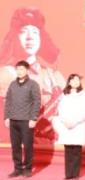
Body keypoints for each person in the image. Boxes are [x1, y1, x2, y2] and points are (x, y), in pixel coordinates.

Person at [0, 8, 65, 144]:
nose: (30, 37)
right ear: (14, 37)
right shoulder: (5, 75)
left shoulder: (54, 77)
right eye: (23, 31)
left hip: (51, 148)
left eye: (35, 32)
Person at [4, 60, 41, 178]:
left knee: (28, 146)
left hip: (26, 120)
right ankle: (17, 169)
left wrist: (34, 118)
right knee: (15, 146)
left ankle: (28, 169)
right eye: (18, 69)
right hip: (13, 120)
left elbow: (37, 102)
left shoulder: (33, 84)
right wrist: (6, 117)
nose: (19, 71)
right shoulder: (12, 84)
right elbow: (8, 101)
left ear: (27, 70)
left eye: (22, 69)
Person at [52, 74, 85, 180]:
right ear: (69, 82)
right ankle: (68, 174)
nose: (76, 82)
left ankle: (75, 174)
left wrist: (75, 121)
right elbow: (61, 109)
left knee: (76, 150)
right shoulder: (64, 95)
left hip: (78, 125)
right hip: (66, 125)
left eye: (77, 80)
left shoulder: (84, 94)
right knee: (68, 150)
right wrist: (65, 121)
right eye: (73, 80)